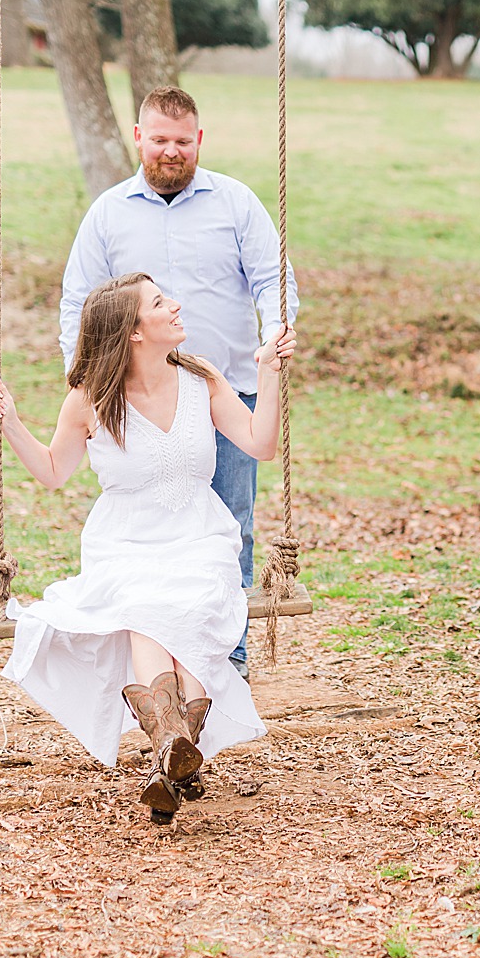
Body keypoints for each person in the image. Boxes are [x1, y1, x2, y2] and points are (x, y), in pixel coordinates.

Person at [0, 272, 296, 824]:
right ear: (132, 331)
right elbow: (55, 471)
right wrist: (10, 423)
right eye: (159, 302)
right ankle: (176, 752)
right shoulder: (90, 399)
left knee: (194, 611)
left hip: (200, 536)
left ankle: (168, 753)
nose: (175, 305)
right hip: (125, 542)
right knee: (146, 609)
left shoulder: (201, 379)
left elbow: (261, 443)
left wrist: (269, 373)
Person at [59, 85, 299, 682]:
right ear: (138, 138)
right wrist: (86, 379)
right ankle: (155, 658)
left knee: (230, 525)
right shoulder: (109, 212)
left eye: (183, 142)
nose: (171, 152)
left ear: (200, 141)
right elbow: (78, 302)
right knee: (150, 527)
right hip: (135, 399)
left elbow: (272, 278)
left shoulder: (236, 203)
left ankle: (227, 660)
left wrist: (274, 336)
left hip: (225, 389)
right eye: (160, 140)